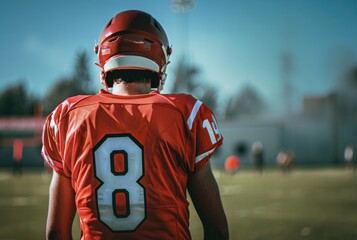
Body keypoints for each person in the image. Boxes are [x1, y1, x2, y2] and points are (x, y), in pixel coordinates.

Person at [42, 10, 228, 240]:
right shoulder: (185, 114)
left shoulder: (68, 116)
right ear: (160, 58)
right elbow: (217, 230)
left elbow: (56, 232)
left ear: (103, 58)